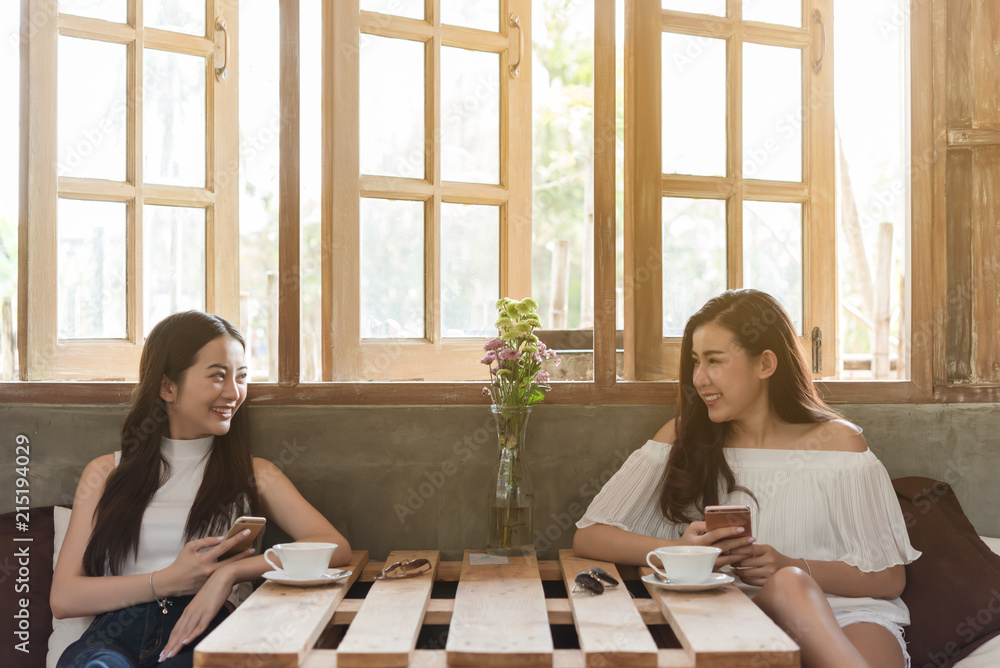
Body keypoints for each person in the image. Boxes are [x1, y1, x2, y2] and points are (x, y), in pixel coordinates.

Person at [573, 290, 919, 668]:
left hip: (852, 616)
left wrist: (792, 563)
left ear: (766, 364)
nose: (699, 378)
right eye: (695, 362)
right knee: (788, 584)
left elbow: (888, 579)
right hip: (739, 615)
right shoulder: (681, 439)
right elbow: (589, 535)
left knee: (795, 584)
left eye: (714, 361)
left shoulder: (839, 445)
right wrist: (682, 552)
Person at [52, 311, 351, 667]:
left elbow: (335, 547)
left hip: (208, 630)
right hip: (113, 636)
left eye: (241, 377)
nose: (234, 392)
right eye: (218, 377)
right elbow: (65, 597)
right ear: (167, 387)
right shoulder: (105, 473)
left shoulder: (255, 474)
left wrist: (229, 573)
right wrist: (167, 581)